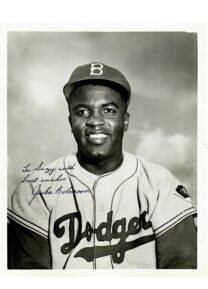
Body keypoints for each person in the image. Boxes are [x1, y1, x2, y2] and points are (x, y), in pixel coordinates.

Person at [8, 62, 197, 269]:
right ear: (71, 121)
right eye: (82, 112)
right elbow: (28, 280)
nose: (95, 121)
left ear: (125, 121)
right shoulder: (37, 188)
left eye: (108, 110)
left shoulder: (160, 184)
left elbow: (182, 269)